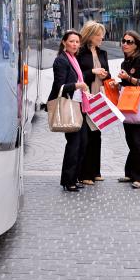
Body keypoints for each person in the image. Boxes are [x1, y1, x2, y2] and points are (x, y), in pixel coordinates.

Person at [47, 29, 90, 192]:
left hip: (79, 105)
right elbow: (60, 86)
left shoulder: (73, 59)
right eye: (71, 41)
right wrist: (77, 85)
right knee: (74, 144)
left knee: (83, 142)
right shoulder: (61, 61)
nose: (75, 44)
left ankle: (75, 177)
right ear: (64, 42)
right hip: (69, 106)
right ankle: (68, 180)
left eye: (77, 42)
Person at [118, 30, 140, 189]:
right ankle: (130, 173)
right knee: (130, 139)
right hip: (127, 105)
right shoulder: (125, 62)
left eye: (129, 42)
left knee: (137, 140)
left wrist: (128, 78)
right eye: (123, 41)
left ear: (136, 45)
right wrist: (118, 84)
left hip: (139, 106)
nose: (125, 44)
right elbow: (126, 86)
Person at [77, 20, 111, 184]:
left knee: (97, 135)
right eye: (99, 35)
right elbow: (78, 76)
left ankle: (95, 171)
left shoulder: (102, 53)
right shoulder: (80, 53)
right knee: (86, 136)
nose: (101, 38)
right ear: (90, 36)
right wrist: (92, 72)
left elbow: (107, 74)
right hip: (85, 98)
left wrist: (106, 75)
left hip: (99, 97)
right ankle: (84, 174)